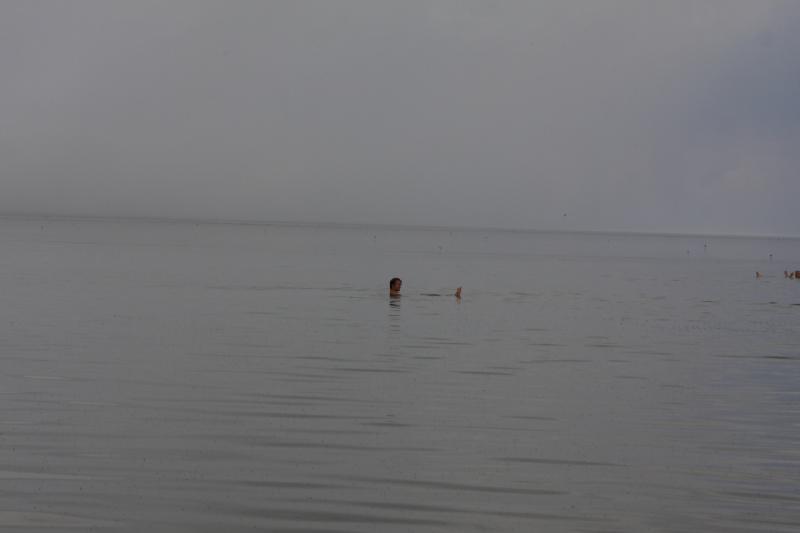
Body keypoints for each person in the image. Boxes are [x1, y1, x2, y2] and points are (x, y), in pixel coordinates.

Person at [389, 277, 461, 299]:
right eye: (398, 284)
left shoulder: (395, 294)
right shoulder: (394, 294)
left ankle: (453, 295)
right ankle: (454, 295)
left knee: (431, 295)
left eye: (400, 284)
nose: (400, 286)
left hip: (415, 295)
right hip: (414, 296)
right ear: (392, 285)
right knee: (432, 296)